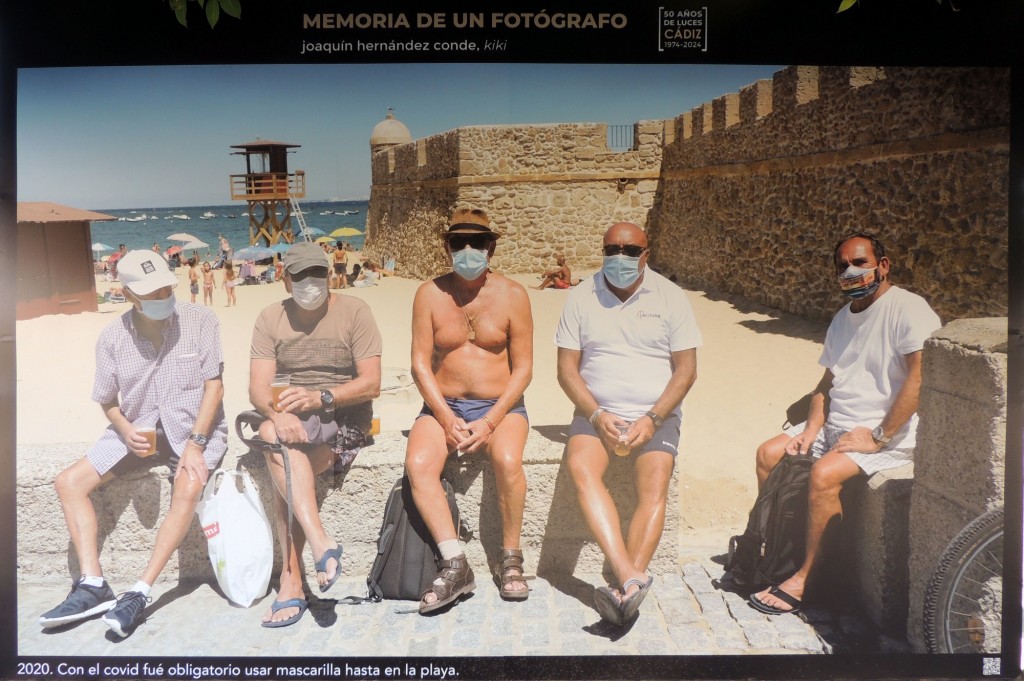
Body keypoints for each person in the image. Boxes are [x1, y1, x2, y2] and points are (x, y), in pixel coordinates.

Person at [748, 232, 941, 616]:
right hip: (839, 425)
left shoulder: (909, 309)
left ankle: (805, 577)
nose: (851, 272)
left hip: (888, 432)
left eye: (860, 263)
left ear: (882, 266)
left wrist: (879, 436)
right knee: (770, 454)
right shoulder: (842, 318)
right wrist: (810, 430)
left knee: (823, 475)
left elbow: (919, 379)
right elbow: (827, 383)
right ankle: (777, 553)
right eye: (843, 267)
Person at [38, 250, 228, 637]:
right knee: (68, 482)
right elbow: (106, 400)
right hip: (137, 431)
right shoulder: (111, 337)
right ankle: (93, 585)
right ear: (128, 294)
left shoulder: (202, 320)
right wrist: (125, 430)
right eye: (151, 292)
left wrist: (196, 443)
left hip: (196, 429)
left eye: (165, 288)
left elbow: (215, 386)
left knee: (188, 484)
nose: (162, 296)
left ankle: (140, 591)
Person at [555, 222, 701, 626]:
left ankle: (626, 589)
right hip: (596, 412)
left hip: (657, 413)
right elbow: (566, 370)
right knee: (582, 470)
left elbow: (686, 371)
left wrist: (653, 418)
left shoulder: (671, 298)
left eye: (630, 250)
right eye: (612, 249)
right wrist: (597, 415)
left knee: (654, 482)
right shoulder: (581, 298)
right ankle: (630, 576)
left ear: (646, 253)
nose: (620, 257)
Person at [248, 241, 382, 628]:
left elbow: (371, 383)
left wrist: (321, 396)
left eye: (318, 274)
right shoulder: (270, 317)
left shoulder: (355, 311)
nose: (311, 282)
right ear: (284, 278)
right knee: (270, 431)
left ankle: (291, 582)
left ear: (330, 274)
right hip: (291, 415)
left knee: (285, 473)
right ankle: (322, 544)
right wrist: (278, 412)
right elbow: (258, 390)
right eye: (302, 275)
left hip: (345, 417)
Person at [406, 208, 533, 613]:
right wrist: (445, 416)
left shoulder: (514, 295)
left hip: (501, 406)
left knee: (508, 459)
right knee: (419, 464)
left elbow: (525, 367)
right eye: (458, 242)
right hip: (443, 405)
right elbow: (420, 363)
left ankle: (510, 559)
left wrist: (491, 420)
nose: (467, 250)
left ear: (491, 246)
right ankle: (455, 562)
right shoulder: (429, 293)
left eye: (476, 242)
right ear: (447, 246)